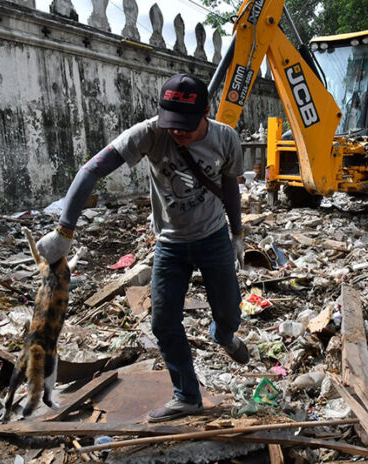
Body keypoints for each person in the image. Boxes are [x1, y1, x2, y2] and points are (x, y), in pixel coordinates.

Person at [36, 73, 249, 422]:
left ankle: (223, 334)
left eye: (186, 126)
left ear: (206, 112)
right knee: (163, 322)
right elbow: (91, 170)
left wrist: (237, 233)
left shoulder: (226, 138)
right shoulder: (149, 132)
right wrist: (64, 231)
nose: (178, 132)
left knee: (229, 312)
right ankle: (187, 396)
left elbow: (229, 187)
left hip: (213, 237)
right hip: (170, 243)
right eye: (172, 124)